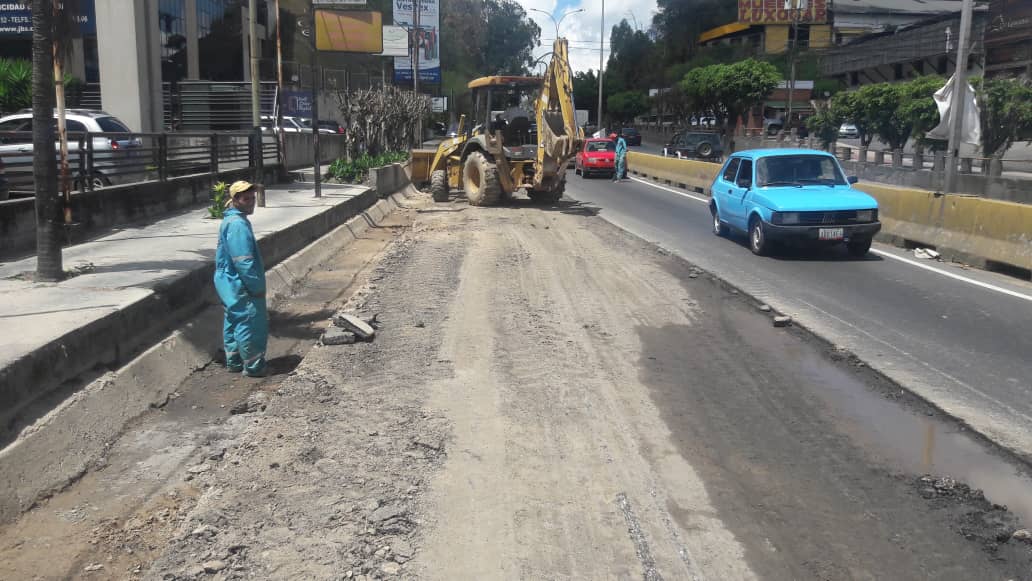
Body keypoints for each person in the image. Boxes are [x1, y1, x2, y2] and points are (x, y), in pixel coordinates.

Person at [214, 180, 268, 378]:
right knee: (249, 322)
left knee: (233, 319)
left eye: (253, 198)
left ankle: (234, 361)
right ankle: (254, 367)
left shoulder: (231, 220)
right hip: (239, 282)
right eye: (246, 198)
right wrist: (256, 286)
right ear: (235, 199)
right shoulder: (237, 224)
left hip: (227, 281)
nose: (251, 202)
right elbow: (243, 260)